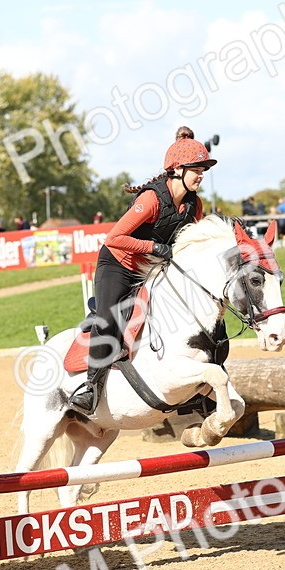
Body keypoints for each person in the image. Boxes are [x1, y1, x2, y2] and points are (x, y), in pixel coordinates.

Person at [67, 126, 216, 415]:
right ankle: (90, 389)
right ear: (177, 170)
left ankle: (193, 390)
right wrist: (155, 248)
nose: (200, 175)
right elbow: (114, 238)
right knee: (109, 321)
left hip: (150, 269)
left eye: (202, 170)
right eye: (196, 169)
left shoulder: (193, 206)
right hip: (118, 265)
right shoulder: (151, 200)